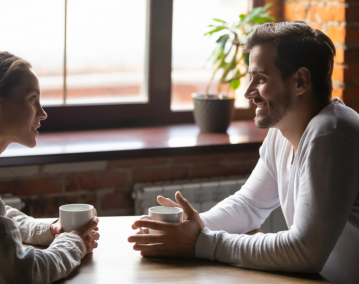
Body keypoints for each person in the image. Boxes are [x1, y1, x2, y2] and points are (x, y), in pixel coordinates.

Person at [128, 21, 359, 284]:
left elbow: (305, 251)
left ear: (300, 81)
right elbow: (249, 205)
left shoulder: (332, 133)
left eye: (260, 79)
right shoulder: (282, 132)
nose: (248, 92)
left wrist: (201, 241)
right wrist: (189, 228)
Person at [0, 51, 100, 284]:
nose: (42, 113)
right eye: (33, 99)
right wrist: (73, 242)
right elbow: (19, 274)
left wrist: (50, 229)